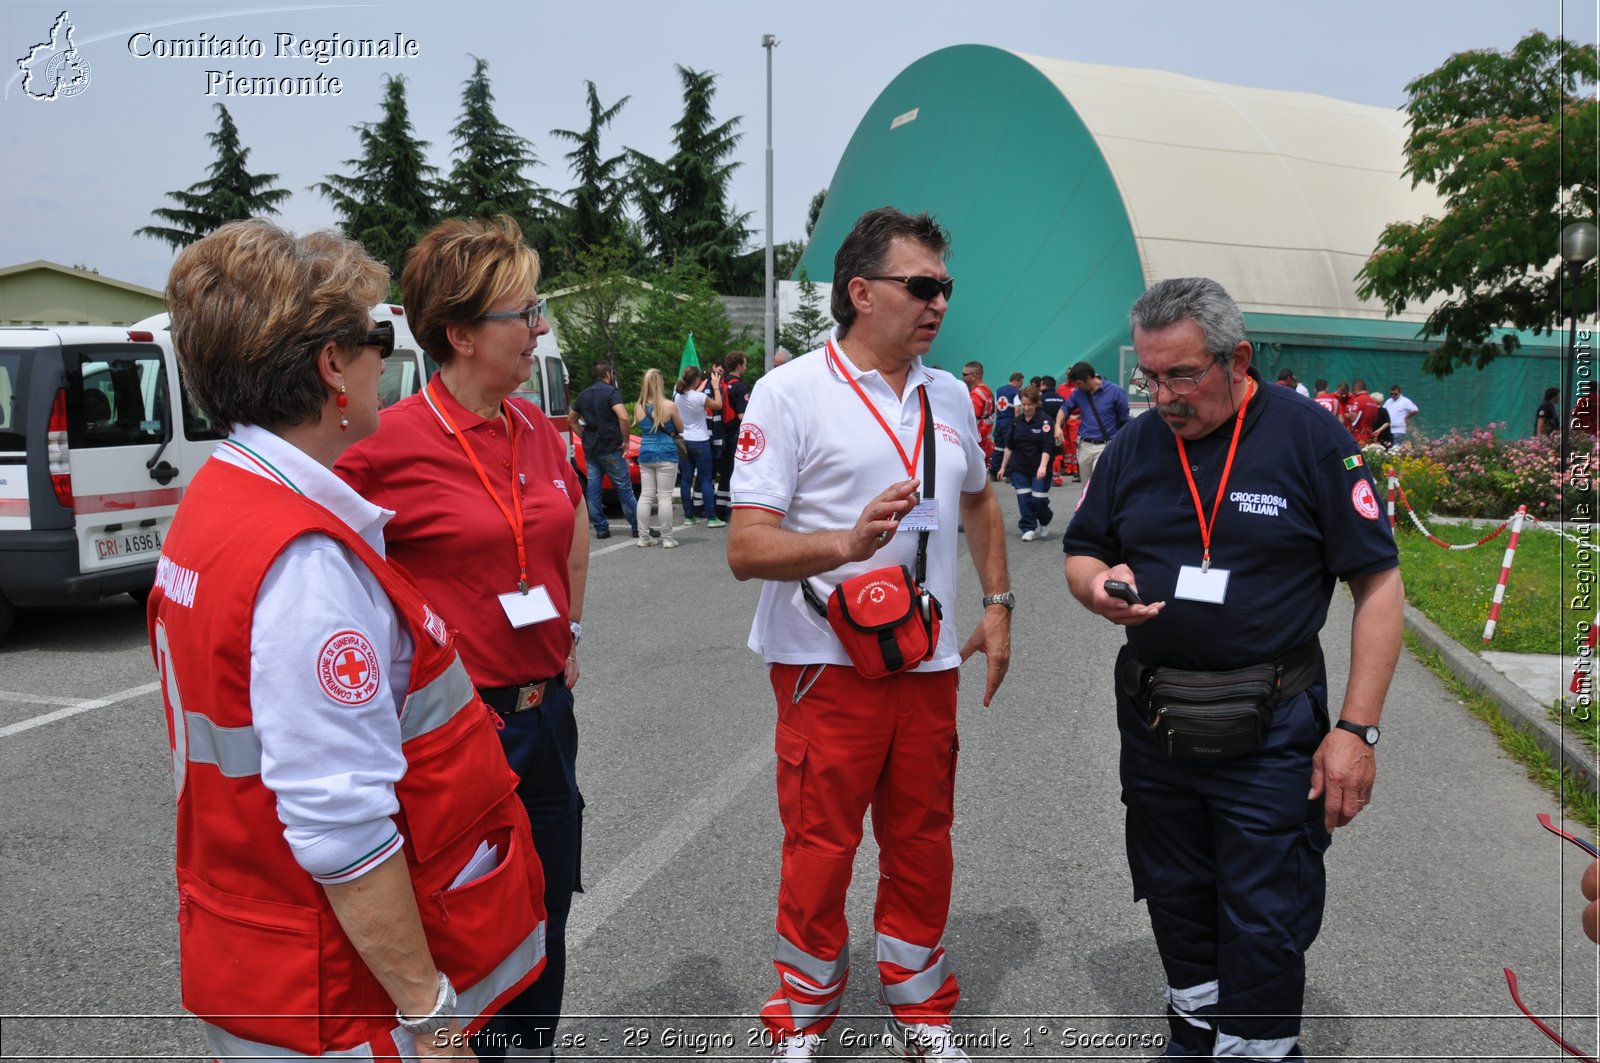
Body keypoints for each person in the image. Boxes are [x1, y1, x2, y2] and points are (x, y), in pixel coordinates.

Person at [150, 219, 547, 1060]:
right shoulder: (305, 562)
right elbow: (343, 826)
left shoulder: (221, 500)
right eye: (376, 335)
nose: (386, 356)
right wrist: (431, 1016)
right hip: (329, 991)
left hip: (257, 947)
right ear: (332, 365)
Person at [1062, 276, 1402, 1062]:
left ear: (1238, 358)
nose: (1164, 396)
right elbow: (1083, 548)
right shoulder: (1138, 445)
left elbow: (1378, 585)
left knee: (1264, 907)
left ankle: (1259, 1049)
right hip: (1157, 723)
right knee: (1176, 893)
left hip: (1271, 725)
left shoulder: (1308, 437)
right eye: (1150, 377)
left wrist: (1355, 729)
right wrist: (1095, 585)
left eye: (1182, 375)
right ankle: (1195, 1033)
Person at [727, 206, 1012, 1061]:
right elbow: (745, 546)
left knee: (923, 841)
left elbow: (979, 502)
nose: (939, 304)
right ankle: (802, 1020)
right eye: (922, 286)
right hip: (825, 664)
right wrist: (843, 544)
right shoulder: (790, 392)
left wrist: (997, 601)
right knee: (822, 846)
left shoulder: (951, 394)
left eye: (946, 288)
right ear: (860, 292)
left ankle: (922, 1013)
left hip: (924, 661)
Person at [336, 216, 588, 1061]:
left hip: (547, 718)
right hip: (457, 729)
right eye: (526, 311)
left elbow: (572, 526)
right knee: (463, 913)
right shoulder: (384, 445)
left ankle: (533, 1050)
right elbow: (322, 565)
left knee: (546, 903)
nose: (541, 327)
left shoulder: (539, 429)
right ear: (460, 333)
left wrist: (568, 628)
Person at [571, 360, 639, 540]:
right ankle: (638, 526)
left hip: (591, 450)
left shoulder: (583, 395)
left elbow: (571, 419)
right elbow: (624, 418)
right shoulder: (611, 393)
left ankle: (601, 528)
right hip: (610, 448)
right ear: (608, 374)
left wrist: (584, 435)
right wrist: (625, 442)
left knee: (593, 489)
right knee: (624, 489)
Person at [996, 385, 1057, 541]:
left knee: (1037, 499)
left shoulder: (1045, 421)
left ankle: (1044, 519)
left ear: (1036, 403)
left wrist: (1043, 466)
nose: (1026, 407)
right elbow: (1009, 446)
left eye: (1029, 404)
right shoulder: (1016, 422)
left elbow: (1048, 446)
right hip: (1019, 468)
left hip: (1039, 468)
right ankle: (1028, 528)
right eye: (1023, 404)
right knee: (1024, 499)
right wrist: (1002, 467)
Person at [632, 367, 684, 547]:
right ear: (660, 383)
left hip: (646, 453)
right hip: (667, 453)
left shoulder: (638, 407)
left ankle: (643, 537)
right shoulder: (669, 406)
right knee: (664, 497)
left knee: (645, 496)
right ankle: (667, 538)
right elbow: (681, 428)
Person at [1060, 361, 1130, 482]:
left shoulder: (1115, 391)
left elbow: (1124, 419)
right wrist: (1057, 426)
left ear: (1088, 378)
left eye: (1078, 383)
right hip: (1084, 446)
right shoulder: (1078, 393)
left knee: (1099, 482)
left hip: (1106, 445)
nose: (1076, 387)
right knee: (1086, 488)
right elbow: (1064, 409)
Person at [675, 365, 724, 526]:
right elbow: (718, 405)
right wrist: (715, 386)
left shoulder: (677, 395)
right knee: (705, 479)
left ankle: (688, 516)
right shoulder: (700, 398)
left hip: (684, 440)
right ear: (696, 380)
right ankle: (711, 517)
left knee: (685, 479)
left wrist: (703, 383)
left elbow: (693, 392)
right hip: (700, 441)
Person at [716, 350, 751, 496]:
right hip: (735, 432)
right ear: (738, 366)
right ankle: (731, 504)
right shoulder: (739, 387)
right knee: (735, 469)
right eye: (744, 364)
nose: (746, 366)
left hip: (722, 431)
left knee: (725, 471)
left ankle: (720, 505)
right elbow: (742, 415)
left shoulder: (721, 382)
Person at [962, 360, 996, 468]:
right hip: (986, 441)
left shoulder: (976, 394)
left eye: (965, 374)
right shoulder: (987, 389)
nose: (962, 377)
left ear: (973, 376)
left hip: (978, 441)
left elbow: (971, 419)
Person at [990, 371, 1023, 480]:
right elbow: (1017, 409)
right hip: (1009, 422)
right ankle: (1009, 474)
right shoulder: (1016, 391)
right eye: (1021, 382)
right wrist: (1018, 423)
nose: (1021, 385)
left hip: (999, 421)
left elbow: (995, 407)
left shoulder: (998, 390)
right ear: (1017, 380)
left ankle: (994, 472)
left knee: (998, 447)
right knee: (1010, 447)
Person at [1345, 378, 1381, 445]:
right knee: (1367, 454)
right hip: (1370, 435)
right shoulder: (1372, 401)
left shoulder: (1358, 400)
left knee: (1355, 455)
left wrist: (1345, 414)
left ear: (1356, 388)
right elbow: (1375, 419)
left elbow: (1353, 419)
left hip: (1359, 436)